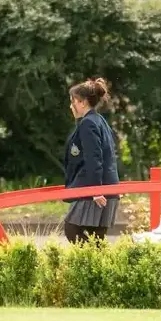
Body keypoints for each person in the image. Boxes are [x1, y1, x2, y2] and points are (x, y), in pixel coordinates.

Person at [63, 77, 120, 243]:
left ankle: (102, 266)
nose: (71, 106)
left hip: (96, 189)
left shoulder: (88, 123)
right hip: (107, 186)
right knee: (96, 238)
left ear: (82, 102)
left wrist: (95, 190)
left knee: (72, 229)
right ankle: (102, 266)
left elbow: (93, 158)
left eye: (73, 101)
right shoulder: (97, 120)